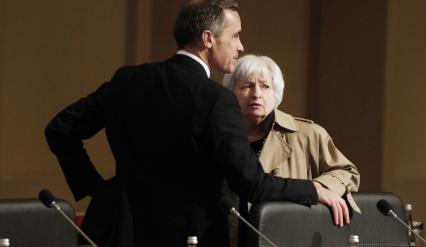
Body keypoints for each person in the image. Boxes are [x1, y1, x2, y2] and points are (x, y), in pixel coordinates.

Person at [45, 1, 328, 246]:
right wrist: (313, 190)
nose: (241, 46)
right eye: (236, 35)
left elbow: (60, 130)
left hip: (124, 233)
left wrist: (99, 189)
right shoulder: (216, 100)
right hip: (192, 239)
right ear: (208, 39)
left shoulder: (127, 80)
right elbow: (252, 183)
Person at [222, 54, 361, 224]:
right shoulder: (218, 134)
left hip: (285, 232)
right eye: (247, 86)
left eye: (265, 86)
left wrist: (317, 189)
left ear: (276, 94)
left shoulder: (307, 134)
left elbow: (347, 172)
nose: (256, 94)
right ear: (230, 93)